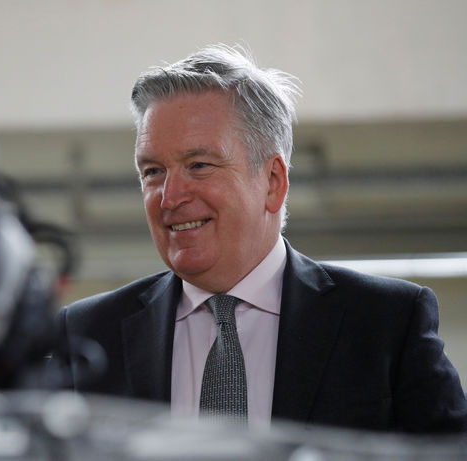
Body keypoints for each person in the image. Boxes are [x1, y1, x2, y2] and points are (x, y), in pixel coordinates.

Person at [55, 44, 467, 433]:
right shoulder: (88, 334)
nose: (170, 197)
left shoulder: (386, 323)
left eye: (199, 165)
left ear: (272, 181)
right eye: (152, 172)